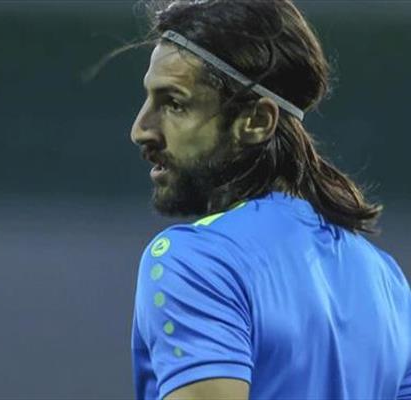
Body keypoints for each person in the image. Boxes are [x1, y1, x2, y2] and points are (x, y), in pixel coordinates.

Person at [123, 0, 411, 399]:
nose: (141, 129)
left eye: (174, 103)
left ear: (257, 121)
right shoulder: (387, 281)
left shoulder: (195, 261)